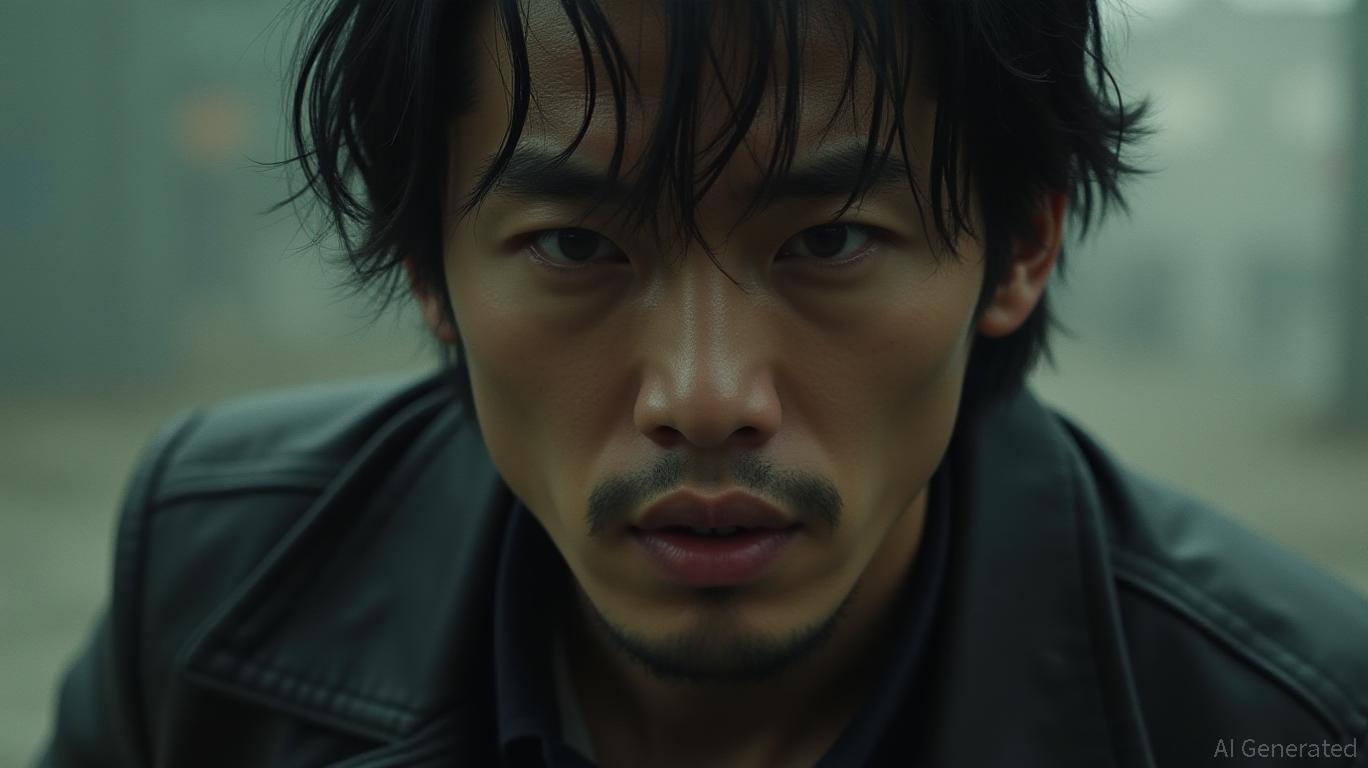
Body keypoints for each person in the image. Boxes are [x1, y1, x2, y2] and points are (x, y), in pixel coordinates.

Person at [37, 0, 1368, 765]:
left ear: (1020, 244)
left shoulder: (1287, 718)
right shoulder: (215, 579)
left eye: (829, 240)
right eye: (577, 245)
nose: (707, 395)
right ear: (429, 262)